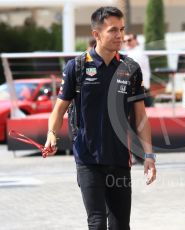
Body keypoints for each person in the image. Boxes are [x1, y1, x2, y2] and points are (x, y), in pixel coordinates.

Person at [44, 6, 156, 230]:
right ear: (96, 34)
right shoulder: (76, 67)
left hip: (120, 159)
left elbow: (141, 116)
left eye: (122, 30)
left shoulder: (131, 68)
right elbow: (58, 110)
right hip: (88, 159)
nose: (120, 36)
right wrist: (51, 135)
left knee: (120, 225)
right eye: (113, 30)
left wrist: (149, 155)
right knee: (96, 223)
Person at [123, 33, 153, 107]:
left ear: (136, 40)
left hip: (139, 89)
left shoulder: (138, 53)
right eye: (124, 41)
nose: (127, 42)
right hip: (137, 88)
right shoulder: (131, 52)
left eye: (129, 40)